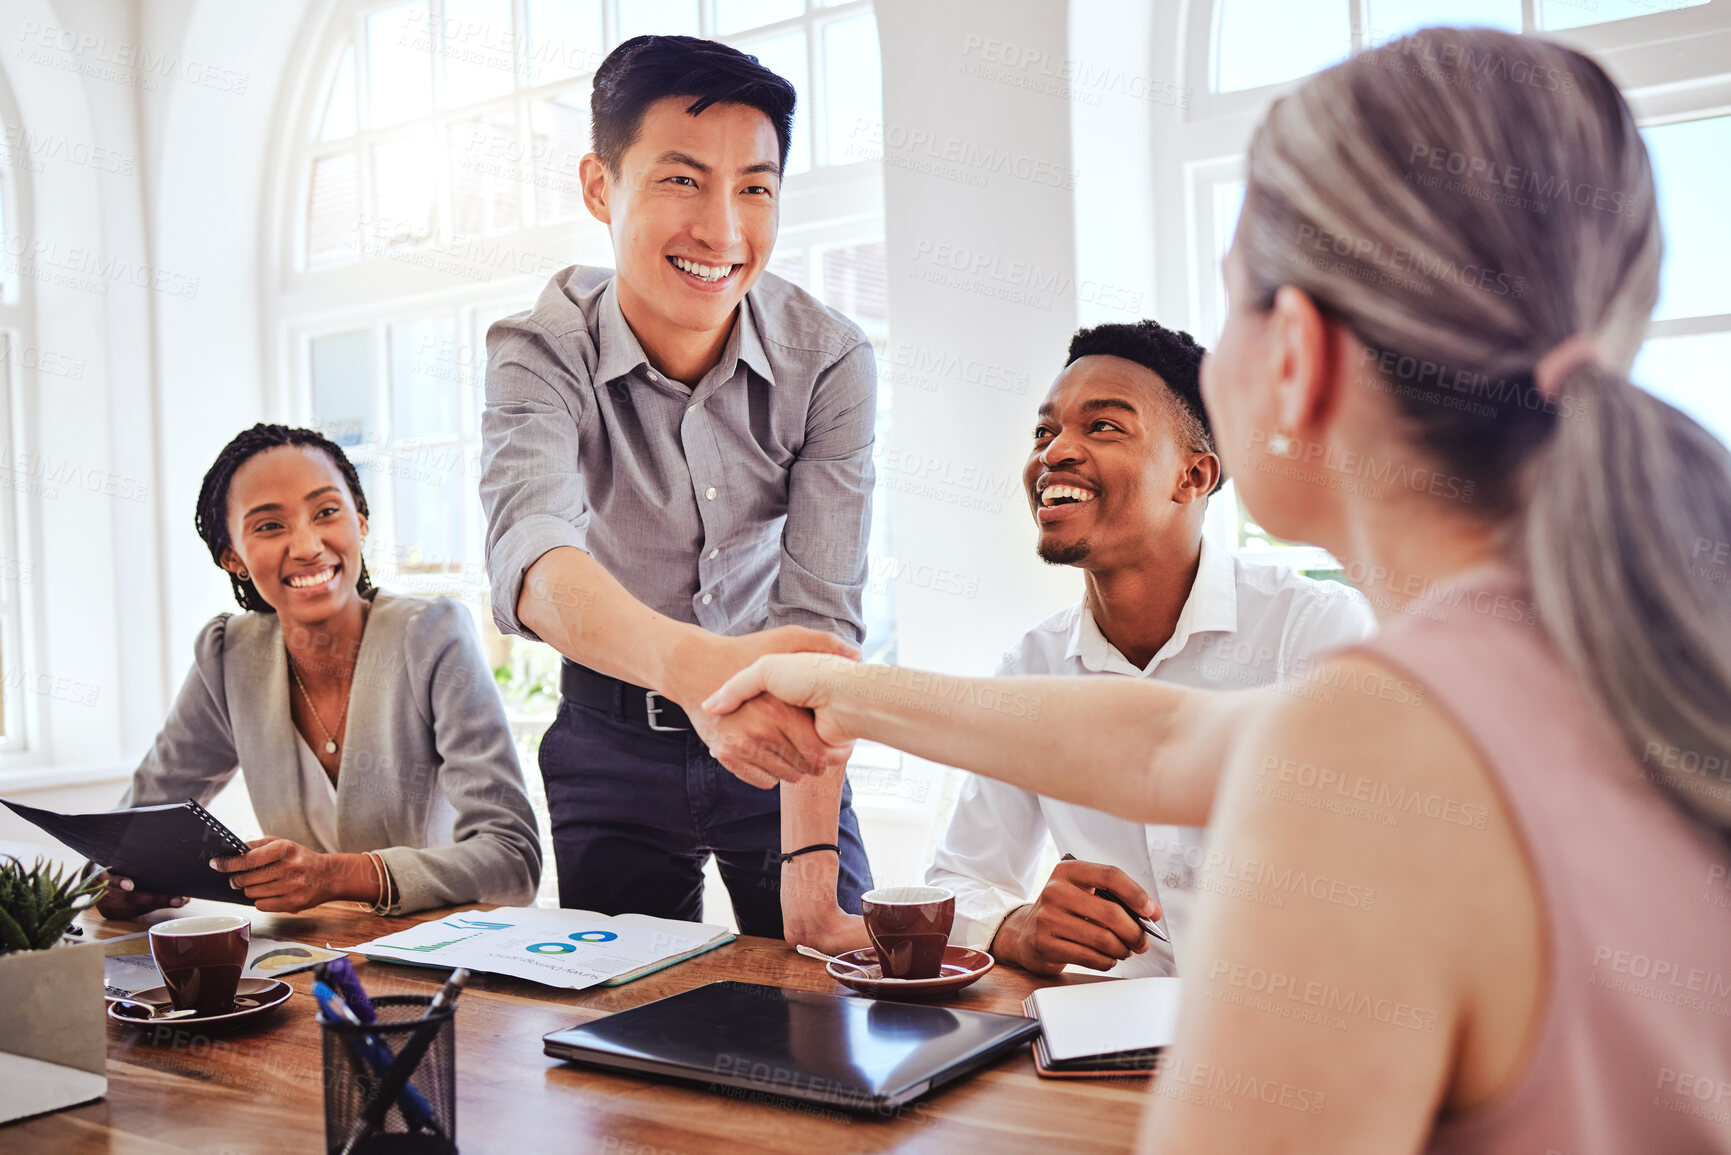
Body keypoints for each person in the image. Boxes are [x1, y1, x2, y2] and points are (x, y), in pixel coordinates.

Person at [705, 28, 1731, 1153]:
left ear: (1295, 353)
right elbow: (1164, 743)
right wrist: (834, 691)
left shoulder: (1372, 744)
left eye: (1235, 299)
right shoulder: (1621, 653)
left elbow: (1240, 754)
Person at [779, 322, 1373, 973]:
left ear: (1192, 475)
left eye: (1103, 427)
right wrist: (1015, 924)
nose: (1054, 451)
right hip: (1100, 1048)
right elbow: (964, 874)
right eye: (1044, 431)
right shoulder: (1032, 666)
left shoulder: (1313, 631)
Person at [478, 35, 874, 938]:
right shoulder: (539, 350)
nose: (724, 232)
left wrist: (812, 884)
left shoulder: (831, 359)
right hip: (609, 736)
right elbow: (533, 560)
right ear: (597, 187)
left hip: (782, 732)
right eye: (682, 180)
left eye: (755, 188)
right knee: (624, 1036)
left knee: (837, 1002)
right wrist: (703, 676)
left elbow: (821, 617)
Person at [97, 425, 541, 918]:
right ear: (232, 557)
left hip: (439, 960)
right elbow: (128, 833)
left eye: (326, 512)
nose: (307, 546)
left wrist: (335, 876)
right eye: (269, 525)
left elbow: (513, 860)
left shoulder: (431, 635)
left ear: (361, 521)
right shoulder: (228, 657)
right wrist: (117, 884)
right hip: (307, 964)